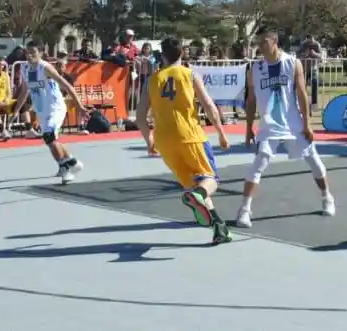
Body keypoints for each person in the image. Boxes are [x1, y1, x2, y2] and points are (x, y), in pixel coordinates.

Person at [137, 37, 232, 245]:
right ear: (182, 54)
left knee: (195, 186)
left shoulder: (152, 80)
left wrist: (149, 140)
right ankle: (198, 197)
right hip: (190, 135)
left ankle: (219, 227)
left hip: (164, 140)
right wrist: (221, 133)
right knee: (210, 181)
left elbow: (140, 116)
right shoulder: (189, 75)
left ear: (161, 55)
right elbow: (208, 105)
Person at [236, 27, 335, 227]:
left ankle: (327, 197)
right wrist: (248, 128)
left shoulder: (292, 63)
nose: (260, 46)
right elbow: (252, 99)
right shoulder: (255, 68)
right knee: (259, 163)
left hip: (292, 123)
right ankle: (244, 210)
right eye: (258, 42)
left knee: (314, 162)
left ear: (275, 42)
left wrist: (307, 124)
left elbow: (302, 94)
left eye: (264, 42)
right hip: (269, 125)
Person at [13, 43, 89, 184]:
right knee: (52, 140)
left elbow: (67, 85)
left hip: (56, 108)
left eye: (33, 53)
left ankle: (65, 168)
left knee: (48, 136)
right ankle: (73, 162)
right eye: (27, 53)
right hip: (43, 110)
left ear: (41, 53)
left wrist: (80, 106)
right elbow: (24, 91)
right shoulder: (25, 69)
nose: (29, 56)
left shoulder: (45, 68)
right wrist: (16, 110)